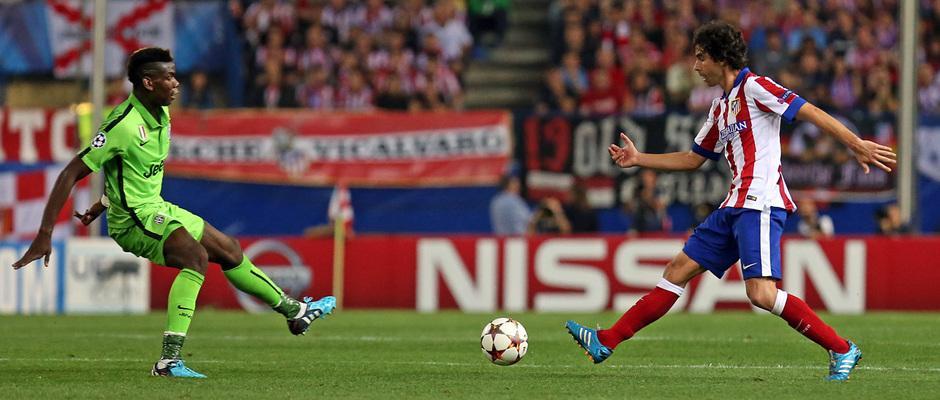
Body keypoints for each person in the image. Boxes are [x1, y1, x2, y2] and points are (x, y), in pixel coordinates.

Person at [564, 21, 896, 382]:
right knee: (677, 269)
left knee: (762, 294)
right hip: (733, 205)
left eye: (701, 57)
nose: (695, 66)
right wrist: (639, 158)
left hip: (760, 202)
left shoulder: (756, 87)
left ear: (721, 58)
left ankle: (841, 348)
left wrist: (856, 144)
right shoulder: (720, 109)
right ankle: (606, 341)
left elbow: (809, 111)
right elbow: (693, 159)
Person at [11, 48, 335, 379]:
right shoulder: (122, 125)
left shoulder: (162, 112)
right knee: (195, 257)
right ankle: (169, 361)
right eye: (168, 77)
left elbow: (132, 172)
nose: (176, 83)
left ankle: (295, 311)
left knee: (230, 250)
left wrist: (104, 202)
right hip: (134, 221)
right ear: (148, 82)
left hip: (155, 207)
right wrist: (45, 233)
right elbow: (70, 172)